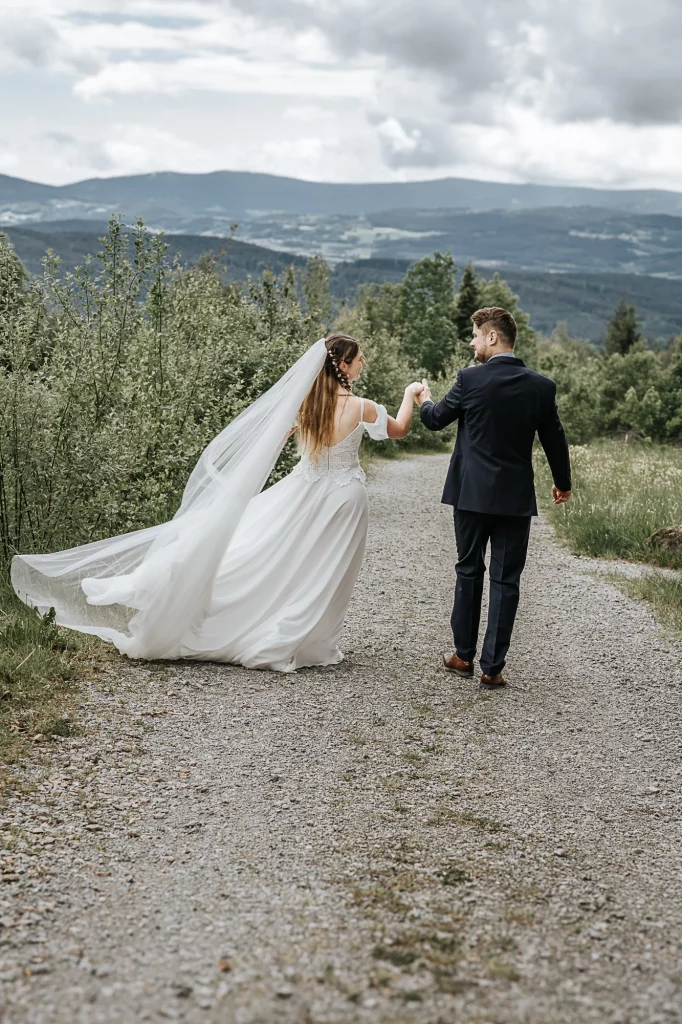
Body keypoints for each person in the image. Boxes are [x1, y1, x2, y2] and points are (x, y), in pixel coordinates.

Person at [12, 334, 423, 673]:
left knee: (278, 557)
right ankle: (304, 638)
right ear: (343, 366)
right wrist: (410, 392)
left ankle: (265, 622)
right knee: (324, 569)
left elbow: (269, 446)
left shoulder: (304, 406)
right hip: (344, 497)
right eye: (359, 358)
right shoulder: (360, 407)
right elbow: (401, 429)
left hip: (305, 490)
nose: (363, 363)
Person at [417, 306, 572, 689]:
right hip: (515, 499)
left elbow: (435, 419)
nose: (472, 342)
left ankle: (463, 656)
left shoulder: (470, 380)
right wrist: (562, 483)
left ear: (492, 337)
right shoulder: (541, 386)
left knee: (469, 570)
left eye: (475, 334)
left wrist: (423, 397)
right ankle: (493, 668)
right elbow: (555, 439)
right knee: (507, 580)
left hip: (470, 495)